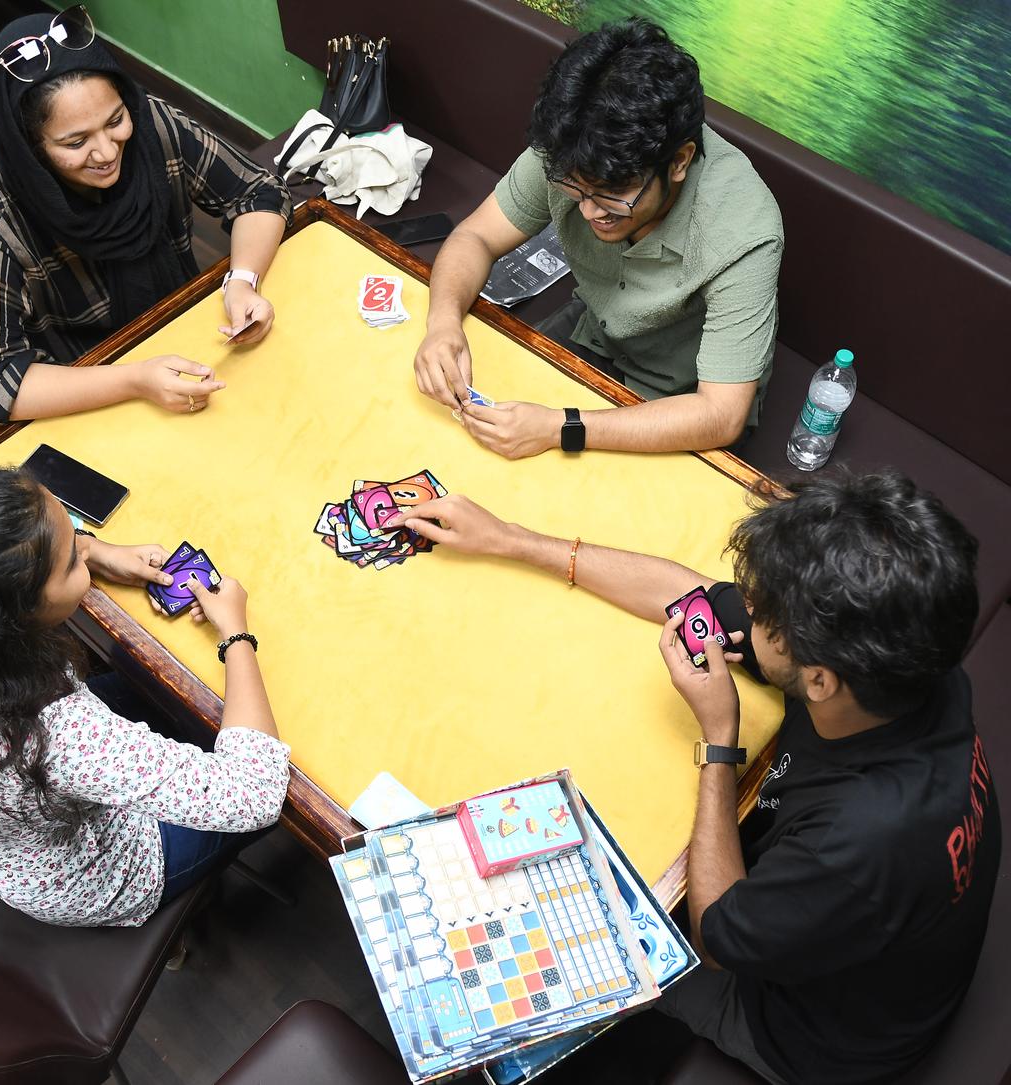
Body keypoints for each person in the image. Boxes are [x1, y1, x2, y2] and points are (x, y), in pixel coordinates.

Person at [387, 470, 1000, 1083]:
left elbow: (716, 934)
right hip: (865, 937)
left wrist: (719, 739)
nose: (745, 610)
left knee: (521, 906)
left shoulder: (863, 841)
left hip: (808, 1036)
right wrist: (512, 540)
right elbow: (693, 599)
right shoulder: (909, 661)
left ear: (819, 681)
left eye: (761, 616)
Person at [0, 470, 289, 926]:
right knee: (284, 787)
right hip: (104, 873)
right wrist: (236, 634)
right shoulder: (60, 734)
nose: (83, 559)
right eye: (72, 561)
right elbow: (254, 793)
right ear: (16, 613)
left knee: (166, 699)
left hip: (23, 829)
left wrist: (99, 552)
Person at [413, 18, 783, 457]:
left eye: (613, 195)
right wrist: (442, 322)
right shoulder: (571, 147)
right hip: (593, 328)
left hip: (683, 395)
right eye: (575, 190)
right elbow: (475, 236)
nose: (588, 211)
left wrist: (559, 428)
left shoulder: (745, 230)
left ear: (679, 162)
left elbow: (720, 415)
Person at [0, 5, 292, 424]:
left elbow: (257, 192)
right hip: (83, 388)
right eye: (76, 143)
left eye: (115, 120)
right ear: (29, 146)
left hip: (186, 332)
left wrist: (242, 282)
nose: (109, 152)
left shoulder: (151, 127)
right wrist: (134, 380)